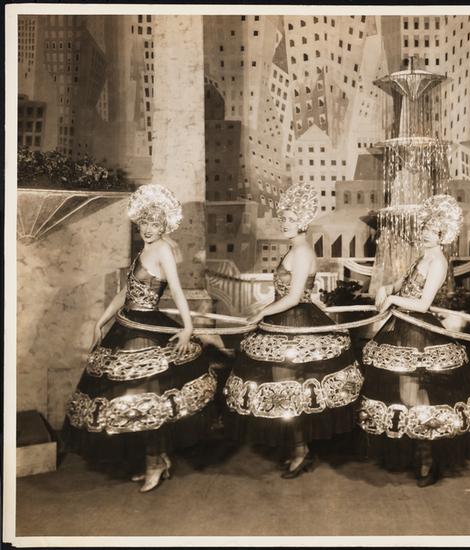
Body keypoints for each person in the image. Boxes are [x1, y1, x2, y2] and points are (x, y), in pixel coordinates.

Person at [61, 184, 218, 492]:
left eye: (155, 224)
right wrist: (101, 320)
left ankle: (155, 462)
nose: (148, 228)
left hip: (147, 329)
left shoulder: (163, 250)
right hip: (126, 325)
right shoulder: (144, 249)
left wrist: (188, 327)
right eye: (145, 222)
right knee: (132, 398)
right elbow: (127, 291)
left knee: (149, 398)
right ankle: (156, 459)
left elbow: (176, 290)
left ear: (164, 226)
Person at [223, 183, 363, 478]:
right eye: (283, 218)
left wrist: (262, 312)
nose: (283, 223)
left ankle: (301, 450)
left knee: (289, 389)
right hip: (284, 320)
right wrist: (263, 312)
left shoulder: (301, 252)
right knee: (283, 388)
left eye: (289, 219)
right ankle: (297, 447)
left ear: (302, 222)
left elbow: (295, 296)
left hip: (296, 321)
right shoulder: (294, 249)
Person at [358, 195, 470, 487]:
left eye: (433, 230)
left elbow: (424, 303)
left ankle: (428, 452)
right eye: (425, 227)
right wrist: (388, 288)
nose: (426, 233)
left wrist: (392, 299)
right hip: (401, 326)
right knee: (406, 393)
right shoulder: (423, 256)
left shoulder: (438, 261)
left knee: (410, 393)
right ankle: (422, 446)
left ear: (443, 235)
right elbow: (405, 285)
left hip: (417, 330)